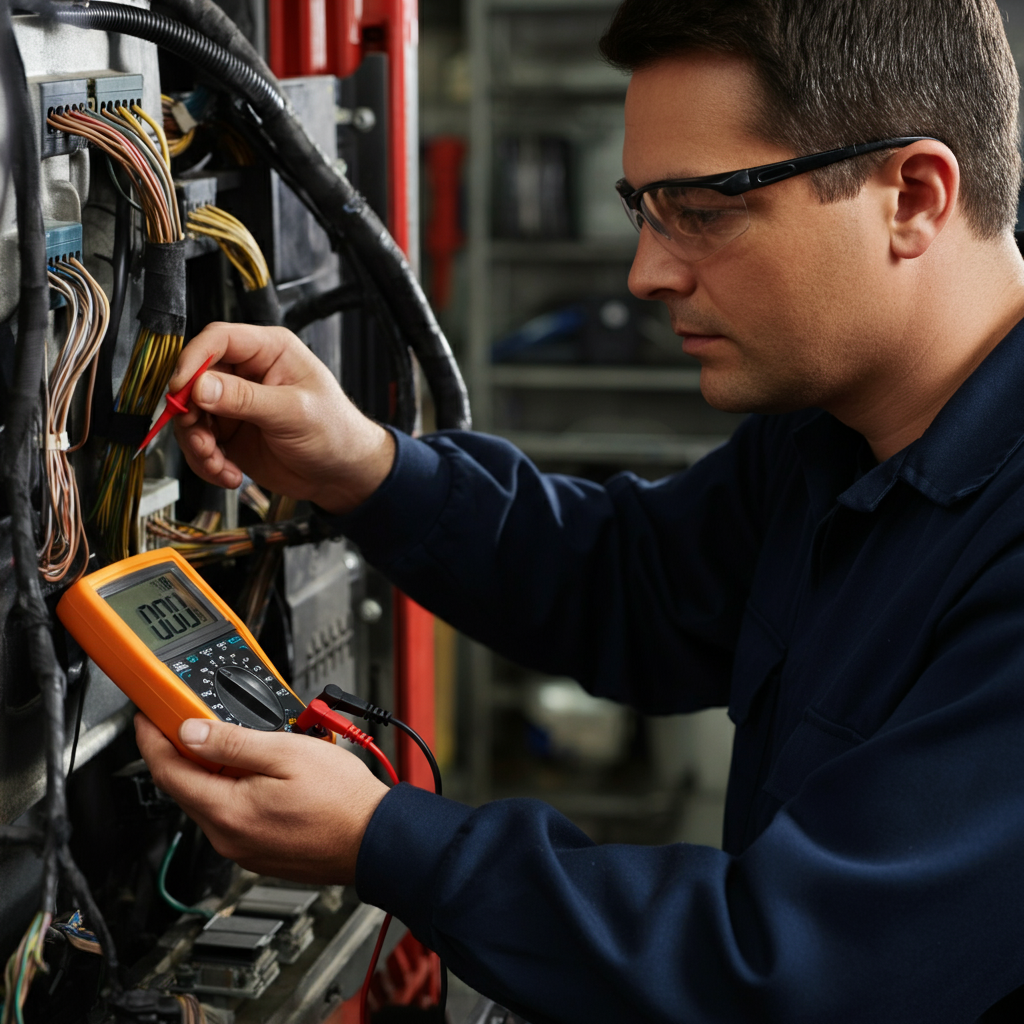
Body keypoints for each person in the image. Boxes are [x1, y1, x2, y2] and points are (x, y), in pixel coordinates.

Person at [135, 0, 1024, 1019]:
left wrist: (389, 841)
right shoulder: (837, 427)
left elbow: (798, 965)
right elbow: (639, 584)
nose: (647, 272)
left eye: (703, 209)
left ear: (912, 194)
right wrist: (365, 466)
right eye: (643, 207)